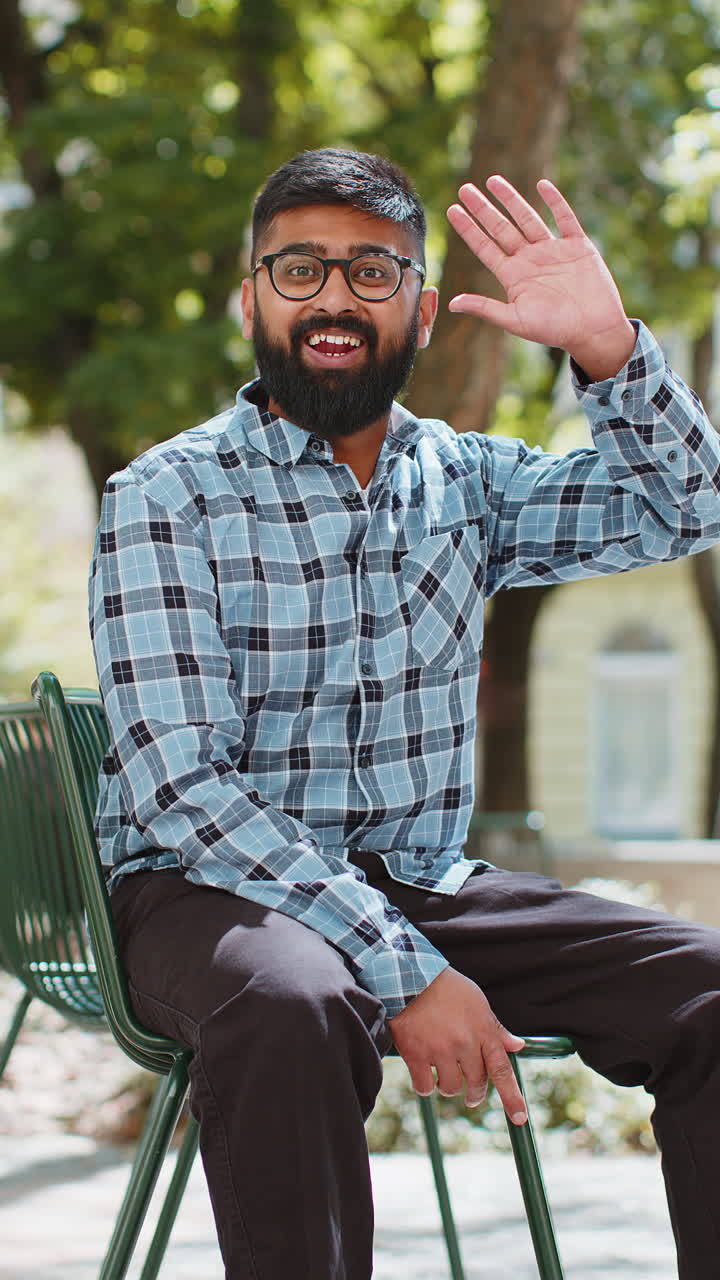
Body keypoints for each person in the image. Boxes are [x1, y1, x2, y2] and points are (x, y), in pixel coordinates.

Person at [91, 147, 720, 1280]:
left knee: (711, 990)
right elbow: (183, 791)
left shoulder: (469, 483)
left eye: (373, 272)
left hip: (423, 879)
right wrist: (409, 970)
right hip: (203, 894)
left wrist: (607, 349)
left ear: (423, 312)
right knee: (295, 994)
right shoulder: (164, 495)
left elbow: (684, 508)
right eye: (300, 268)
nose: (335, 295)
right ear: (253, 299)